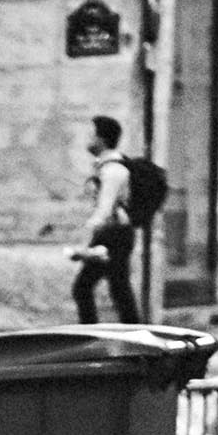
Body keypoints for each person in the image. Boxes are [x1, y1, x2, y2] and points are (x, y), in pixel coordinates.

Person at [74, 115, 140, 323]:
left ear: (101, 140)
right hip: (116, 234)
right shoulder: (107, 167)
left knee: (84, 288)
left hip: (114, 235)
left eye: (91, 134)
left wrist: (84, 243)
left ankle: (91, 336)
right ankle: (135, 335)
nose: (87, 139)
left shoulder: (113, 170)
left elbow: (103, 211)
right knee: (118, 289)